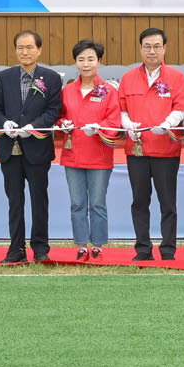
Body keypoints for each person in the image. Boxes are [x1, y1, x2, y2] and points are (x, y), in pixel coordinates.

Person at [119, 26, 184, 261]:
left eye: (156, 46)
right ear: (140, 49)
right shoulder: (128, 78)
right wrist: (128, 125)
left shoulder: (176, 77)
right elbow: (121, 110)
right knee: (139, 201)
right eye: (147, 46)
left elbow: (181, 108)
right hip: (137, 150)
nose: (152, 51)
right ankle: (143, 249)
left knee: (167, 203)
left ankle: (168, 249)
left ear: (164, 48)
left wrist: (168, 123)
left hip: (166, 150)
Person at [0, 30, 64, 265]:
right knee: (15, 201)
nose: (25, 52)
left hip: (37, 148)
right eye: (20, 47)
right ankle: (16, 249)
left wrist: (34, 126)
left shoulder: (51, 78)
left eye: (30, 47)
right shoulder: (4, 77)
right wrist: (4, 123)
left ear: (39, 50)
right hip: (9, 148)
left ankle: (40, 248)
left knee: (39, 200)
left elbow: (54, 110)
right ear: (15, 50)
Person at [60, 39, 123, 261]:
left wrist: (99, 128)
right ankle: (81, 245)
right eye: (81, 59)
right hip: (73, 155)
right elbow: (60, 116)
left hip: (99, 156)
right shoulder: (67, 90)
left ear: (99, 61)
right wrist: (63, 124)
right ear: (75, 62)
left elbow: (115, 121)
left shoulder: (108, 91)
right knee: (77, 203)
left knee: (97, 203)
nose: (86, 64)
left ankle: (97, 245)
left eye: (90, 59)